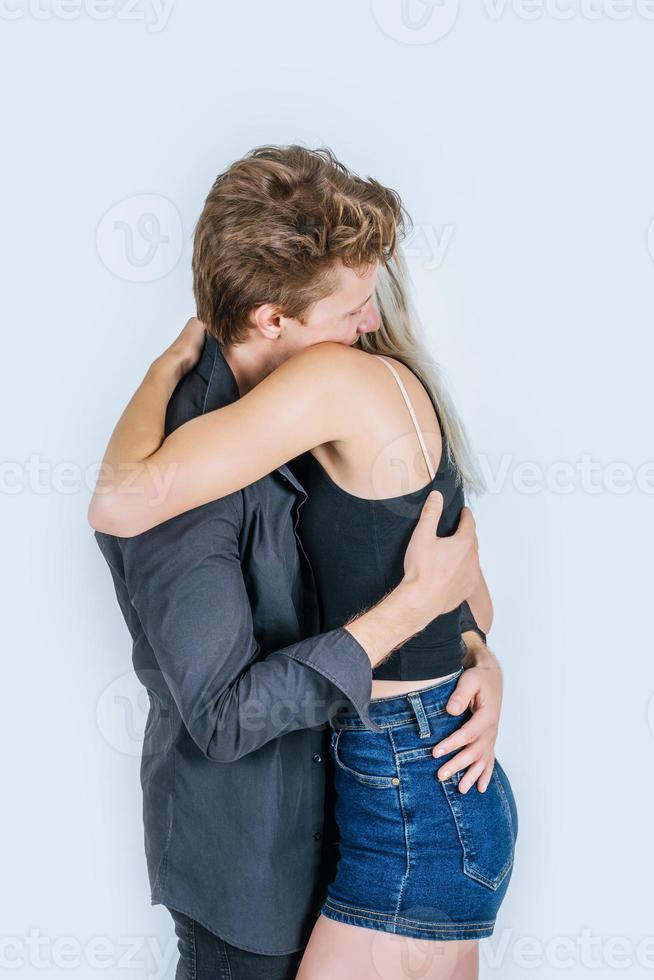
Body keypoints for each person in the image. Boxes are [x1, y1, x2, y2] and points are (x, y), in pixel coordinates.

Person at [90, 145, 507, 980]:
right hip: (257, 872)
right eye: (352, 307)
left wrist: (473, 661)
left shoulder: (317, 416)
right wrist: (413, 609)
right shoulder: (187, 481)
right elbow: (224, 717)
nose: (370, 326)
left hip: (383, 809)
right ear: (274, 320)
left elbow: (461, 593)